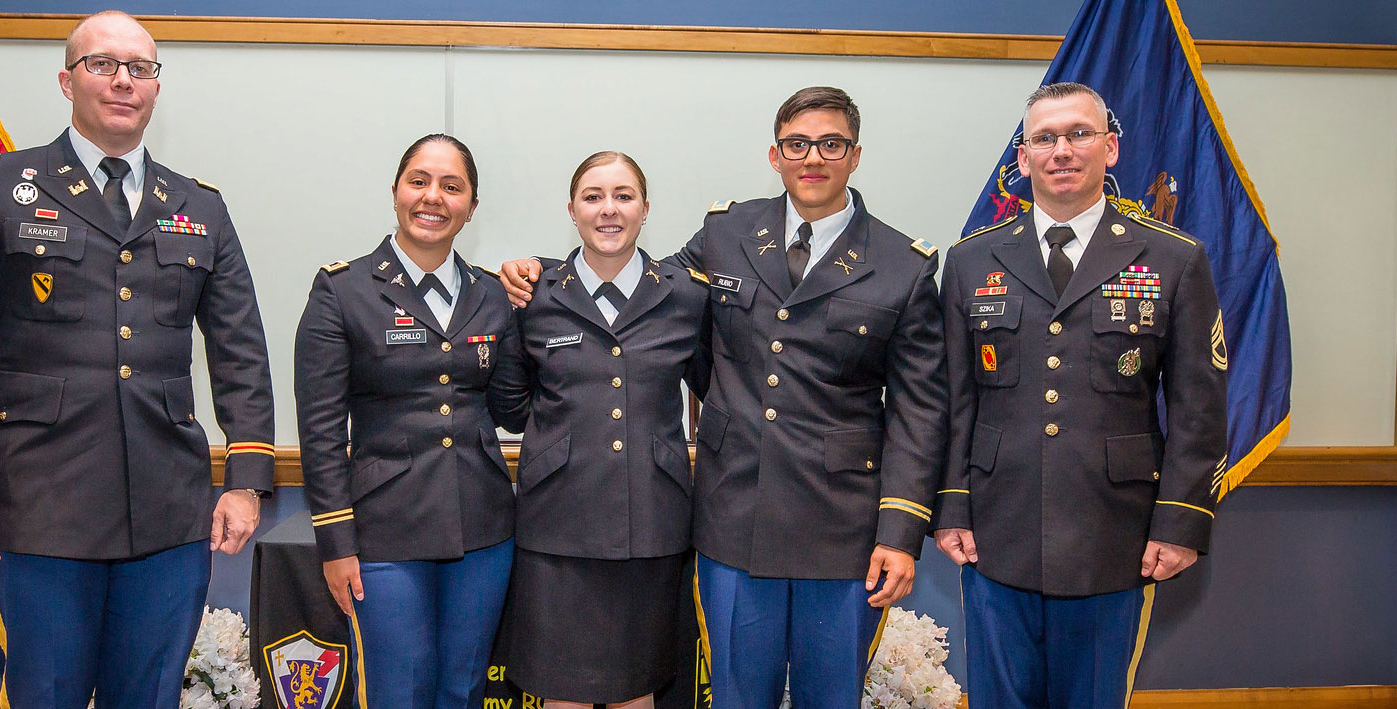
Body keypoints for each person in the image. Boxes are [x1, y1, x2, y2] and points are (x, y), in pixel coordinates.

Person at [500, 87, 947, 709]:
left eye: (830, 143)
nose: (812, 157)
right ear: (775, 154)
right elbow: (638, 280)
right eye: (797, 144)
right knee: (736, 694)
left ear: (854, 155)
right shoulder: (729, 231)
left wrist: (900, 532)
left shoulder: (904, 264)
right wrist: (544, 272)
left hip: (842, 525)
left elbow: (920, 410)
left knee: (831, 695)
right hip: (735, 512)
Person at [0, 12, 275, 708]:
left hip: (168, 509)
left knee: (149, 695)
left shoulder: (199, 206)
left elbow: (239, 351)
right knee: (46, 693)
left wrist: (246, 479)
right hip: (41, 503)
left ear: (155, 88)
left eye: (140, 68)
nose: (122, 81)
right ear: (66, 80)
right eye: (102, 65)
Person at [932, 81, 1228, 708]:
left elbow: (1199, 410)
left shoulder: (1173, 260)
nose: (1061, 150)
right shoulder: (969, 261)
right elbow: (954, 400)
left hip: (1112, 532)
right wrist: (952, 505)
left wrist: (1180, 523)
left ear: (1110, 148)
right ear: (1023, 159)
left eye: (1078, 135)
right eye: (1044, 138)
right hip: (996, 525)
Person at [294, 134, 524, 709]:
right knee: (400, 690)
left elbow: (513, 406)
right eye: (419, 181)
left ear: (472, 205)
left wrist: (542, 283)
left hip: (484, 529)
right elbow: (321, 431)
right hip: (383, 533)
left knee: (465, 688)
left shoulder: (494, 295)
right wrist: (335, 541)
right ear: (396, 191)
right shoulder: (342, 290)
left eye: (453, 186)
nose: (433, 198)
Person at [489, 152, 710, 708]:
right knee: (558, 690)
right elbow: (512, 406)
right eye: (593, 196)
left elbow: (713, 387)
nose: (608, 209)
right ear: (572, 209)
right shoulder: (532, 293)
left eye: (623, 195)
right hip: (556, 523)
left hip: (653, 524)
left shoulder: (686, 295)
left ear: (645, 209)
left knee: (637, 690)